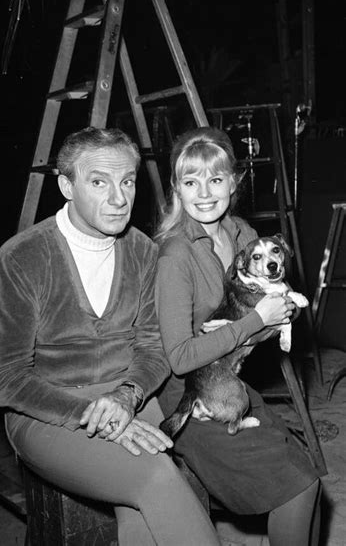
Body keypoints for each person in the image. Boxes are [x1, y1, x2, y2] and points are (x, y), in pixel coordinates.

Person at [0, 127, 220, 546]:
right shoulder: (22, 257)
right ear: (66, 186)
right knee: (156, 477)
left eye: (127, 181)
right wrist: (90, 413)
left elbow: (152, 348)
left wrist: (128, 396)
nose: (118, 198)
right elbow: (7, 380)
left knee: (147, 505)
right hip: (47, 411)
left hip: (128, 394)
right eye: (99, 182)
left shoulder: (143, 251)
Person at [154, 126, 322, 546]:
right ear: (177, 188)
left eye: (215, 179)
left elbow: (275, 317)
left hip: (228, 376)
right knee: (296, 489)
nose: (205, 193)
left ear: (235, 181)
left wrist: (252, 325)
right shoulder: (176, 254)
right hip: (192, 395)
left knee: (310, 480)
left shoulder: (244, 235)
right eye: (191, 182)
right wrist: (248, 325)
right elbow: (179, 358)